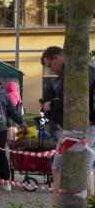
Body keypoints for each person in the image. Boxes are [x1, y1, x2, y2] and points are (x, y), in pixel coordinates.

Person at [40, 45, 95, 197]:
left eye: (51, 65)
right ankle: (84, 205)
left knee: (73, 168)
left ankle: (68, 205)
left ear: (57, 58)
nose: (52, 70)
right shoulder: (86, 70)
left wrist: (51, 105)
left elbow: (72, 101)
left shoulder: (73, 73)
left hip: (80, 130)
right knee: (78, 168)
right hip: (85, 128)